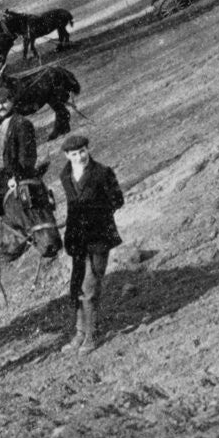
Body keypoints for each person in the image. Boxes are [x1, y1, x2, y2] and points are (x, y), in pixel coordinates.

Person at [59, 134, 124, 355]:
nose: (80, 157)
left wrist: (98, 212)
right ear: (67, 155)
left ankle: (91, 335)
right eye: (75, 154)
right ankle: (79, 333)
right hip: (77, 239)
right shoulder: (65, 175)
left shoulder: (102, 173)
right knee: (77, 286)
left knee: (90, 287)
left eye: (83, 152)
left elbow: (118, 199)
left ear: (88, 150)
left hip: (98, 237)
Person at [0, 86, 37, 182]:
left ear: (12, 101)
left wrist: (16, 177)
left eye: (4, 102)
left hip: (12, 177)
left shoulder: (22, 124)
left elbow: (26, 157)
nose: (1, 107)